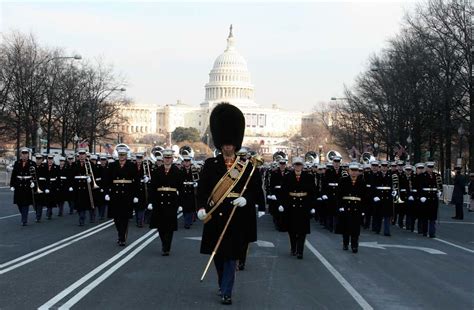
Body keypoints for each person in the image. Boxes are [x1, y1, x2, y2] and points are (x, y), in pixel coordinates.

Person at [197, 103, 260, 305]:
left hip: (237, 216)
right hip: (216, 214)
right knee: (218, 256)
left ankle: (227, 291)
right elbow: (203, 189)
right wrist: (200, 207)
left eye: (231, 144)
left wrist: (246, 199)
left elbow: (256, 189)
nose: (227, 147)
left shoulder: (247, 166)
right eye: (224, 143)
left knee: (232, 256)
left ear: (236, 144)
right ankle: (222, 283)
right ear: (220, 144)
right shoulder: (210, 164)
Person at [278, 156, 316, 259]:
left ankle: (300, 251)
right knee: (292, 230)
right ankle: (293, 247)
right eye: (296, 165)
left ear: (302, 166)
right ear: (293, 166)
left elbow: (312, 192)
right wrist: (282, 204)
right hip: (291, 205)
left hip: (304, 205)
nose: (298, 167)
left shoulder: (309, 177)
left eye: (299, 165)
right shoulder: (287, 176)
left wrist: (312, 206)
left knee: (302, 230)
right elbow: (283, 191)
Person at [148, 149, 183, 255]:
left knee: (170, 226)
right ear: (163, 159)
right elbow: (152, 188)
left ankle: (166, 247)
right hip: (159, 201)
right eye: (165, 158)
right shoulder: (156, 171)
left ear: (172, 159)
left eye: (169, 158)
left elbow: (181, 189)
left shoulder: (177, 172)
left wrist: (180, 203)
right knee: (160, 226)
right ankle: (164, 242)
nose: (167, 160)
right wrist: (150, 201)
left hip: (172, 201)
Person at [105, 147, 139, 246]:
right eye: (120, 155)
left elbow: (136, 181)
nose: (121, 157)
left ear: (126, 156)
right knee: (116, 218)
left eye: (123, 155)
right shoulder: (112, 165)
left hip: (127, 194)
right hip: (115, 194)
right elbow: (107, 180)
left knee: (124, 217)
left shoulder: (132, 165)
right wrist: (107, 193)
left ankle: (122, 237)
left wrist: (135, 195)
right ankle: (120, 233)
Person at [336, 163, 366, 253]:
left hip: (357, 207)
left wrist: (363, 210)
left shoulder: (361, 182)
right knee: (346, 227)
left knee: (356, 228)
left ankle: (354, 245)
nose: (354, 172)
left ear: (358, 172)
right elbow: (339, 195)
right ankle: (345, 243)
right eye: (352, 170)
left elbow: (364, 197)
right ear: (349, 171)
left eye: (356, 170)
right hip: (346, 206)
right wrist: (340, 206)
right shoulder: (343, 180)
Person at [9, 147, 36, 226]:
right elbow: (14, 175)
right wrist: (12, 185)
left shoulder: (32, 163)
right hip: (19, 185)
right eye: (23, 153)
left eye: (26, 153)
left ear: (28, 154)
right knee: (19, 203)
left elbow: (34, 175)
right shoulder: (17, 163)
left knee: (26, 203)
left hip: (27, 185)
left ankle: (24, 219)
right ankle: (23, 215)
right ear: (21, 154)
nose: (24, 155)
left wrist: (33, 183)